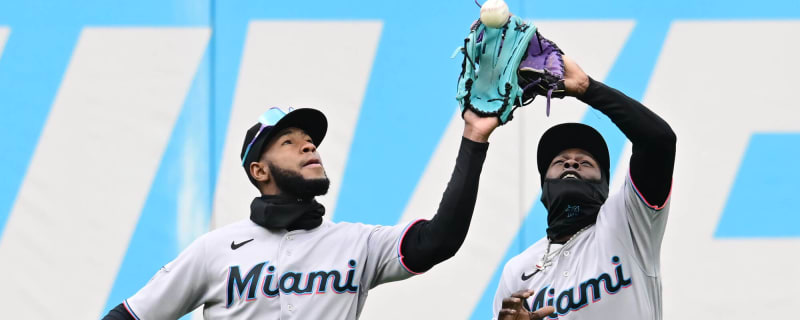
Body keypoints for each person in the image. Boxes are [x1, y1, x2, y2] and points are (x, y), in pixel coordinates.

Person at [103, 105, 501, 319]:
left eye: (310, 141)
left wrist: (474, 139)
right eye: (289, 142)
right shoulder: (215, 250)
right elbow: (131, 316)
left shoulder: (355, 242)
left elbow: (438, 241)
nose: (309, 147)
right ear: (259, 170)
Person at [493, 53, 676, 320]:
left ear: (604, 185)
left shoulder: (628, 222)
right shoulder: (516, 271)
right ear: (544, 186)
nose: (571, 164)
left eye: (585, 162)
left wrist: (587, 89)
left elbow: (658, 140)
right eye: (560, 162)